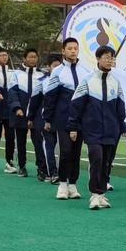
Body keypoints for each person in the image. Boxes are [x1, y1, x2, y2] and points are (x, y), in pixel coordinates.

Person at [68, 46, 126, 210]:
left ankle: (101, 195)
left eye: (112, 58)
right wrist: (73, 127)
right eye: (107, 57)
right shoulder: (87, 80)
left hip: (111, 130)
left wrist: (123, 127)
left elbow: (120, 108)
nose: (110, 60)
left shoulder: (116, 82)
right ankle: (94, 194)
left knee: (106, 163)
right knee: (97, 159)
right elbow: (75, 105)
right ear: (98, 59)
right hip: (92, 130)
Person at [43, 38, 90, 199]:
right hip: (62, 119)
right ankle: (62, 184)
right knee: (66, 152)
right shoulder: (57, 72)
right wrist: (47, 119)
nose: (72, 51)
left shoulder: (86, 72)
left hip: (80, 120)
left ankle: (73, 184)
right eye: (69, 48)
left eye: (75, 48)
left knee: (76, 153)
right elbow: (50, 97)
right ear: (63, 51)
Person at [8, 48, 46, 178]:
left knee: (38, 141)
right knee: (21, 141)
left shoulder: (42, 75)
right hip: (21, 113)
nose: (32, 59)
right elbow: (12, 93)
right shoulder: (16, 74)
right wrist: (17, 108)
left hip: (36, 114)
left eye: (35, 57)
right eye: (30, 57)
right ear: (24, 59)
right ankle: (22, 166)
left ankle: (41, 168)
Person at [28, 53, 62, 183]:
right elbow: (34, 101)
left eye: (60, 66)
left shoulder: (65, 80)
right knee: (49, 146)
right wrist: (30, 117)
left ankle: (63, 173)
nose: (58, 69)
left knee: (63, 147)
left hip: (62, 119)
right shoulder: (42, 81)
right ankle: (52, 173)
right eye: (55, 66)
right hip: (45, 119)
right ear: (48, 67)